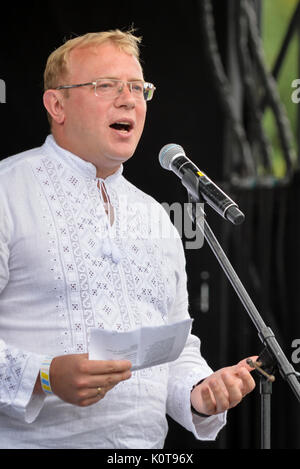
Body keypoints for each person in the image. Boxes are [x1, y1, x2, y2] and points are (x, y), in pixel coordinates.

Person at [0, 29, 256, 449]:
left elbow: (174, 350)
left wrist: (201, 392)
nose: (128, 99)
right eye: (106, 86)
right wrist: (44, 376)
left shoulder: (155, 216)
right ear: (57, 104)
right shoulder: (9, 191)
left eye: (138, 88)